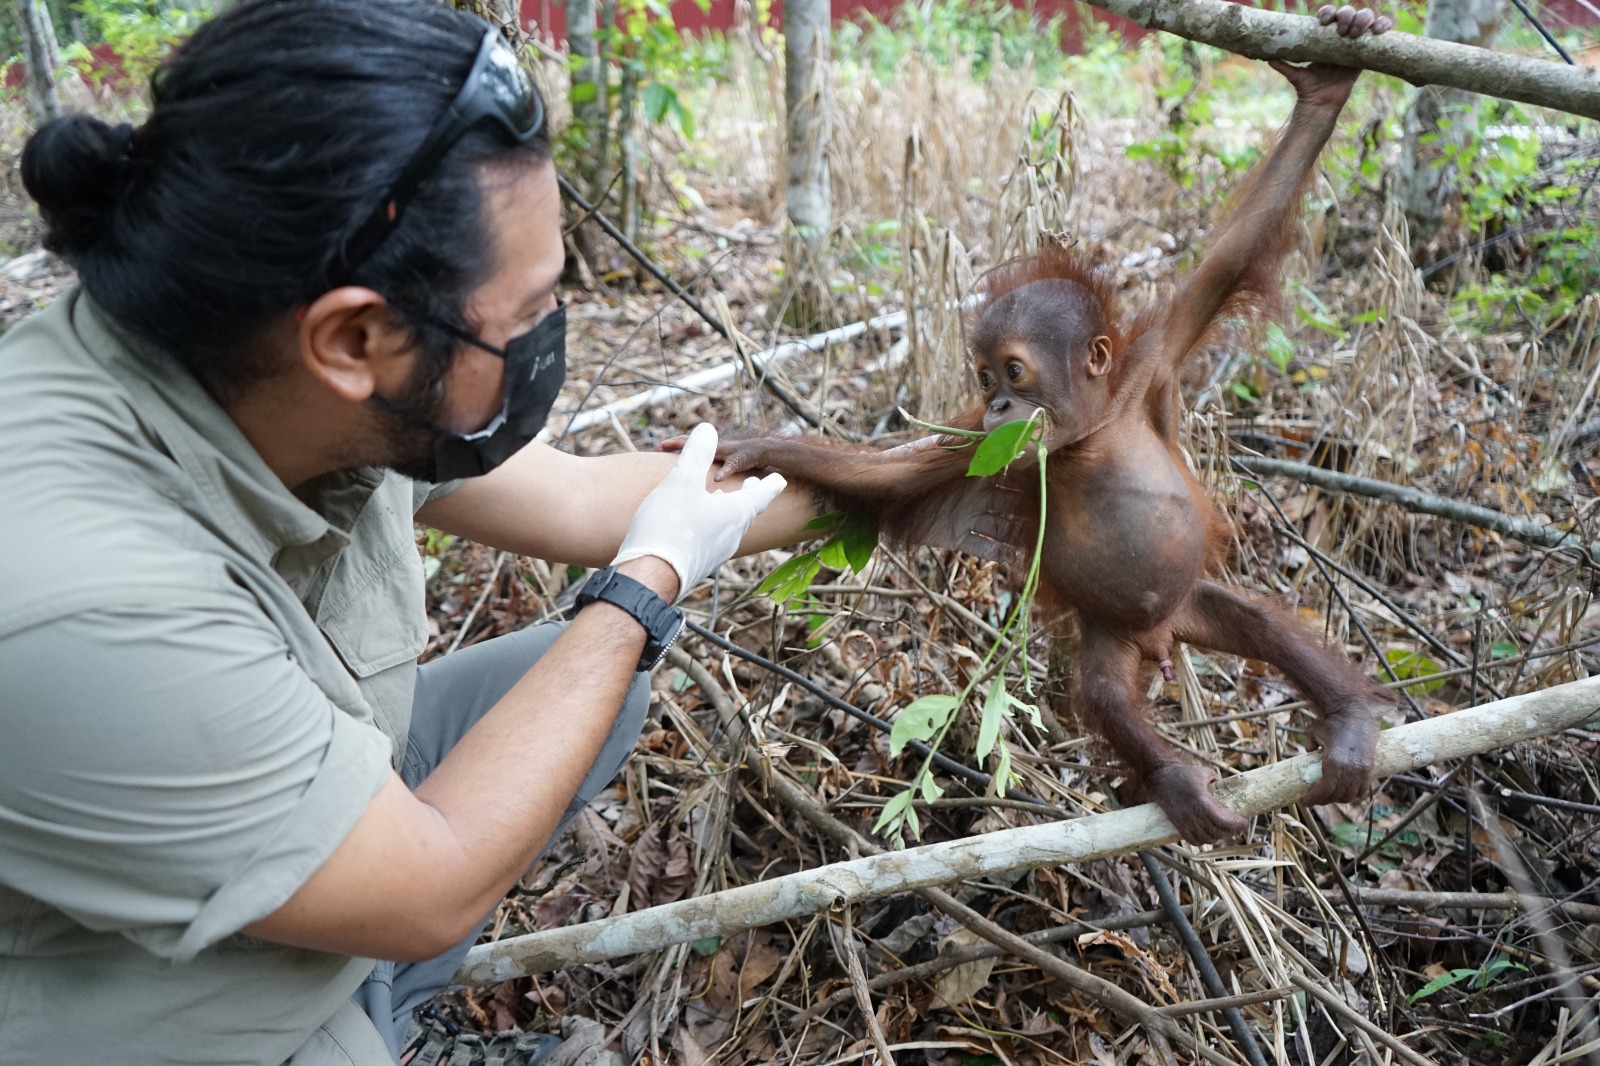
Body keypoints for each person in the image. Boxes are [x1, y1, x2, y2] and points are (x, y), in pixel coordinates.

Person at [0, 0, 812, 1062]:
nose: (546, 338)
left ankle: (378, 1000)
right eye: (525, 315)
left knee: (582, 691)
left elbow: (578, 497)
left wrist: (915, 480)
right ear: (352, 338)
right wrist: (642, 586)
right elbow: (432, 889)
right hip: (97, 1009)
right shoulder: (85, 597)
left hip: (237, 796)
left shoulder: (257, 356)